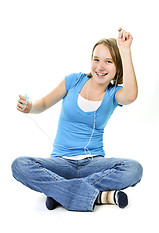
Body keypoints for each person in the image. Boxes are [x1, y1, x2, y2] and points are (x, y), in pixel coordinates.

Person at [11, 28, 143, 212]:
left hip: (93, 164)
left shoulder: (114, 94)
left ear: (118, 68)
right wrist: (30, 106)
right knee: (19, 165)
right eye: (96, 59)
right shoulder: (73, 81)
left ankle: (60, 192)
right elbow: (43, 103)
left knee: (134, 169)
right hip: (60, 162)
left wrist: (125, 50)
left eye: (108, 61)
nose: (100, 67)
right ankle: (99, 196)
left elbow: (131, 95)